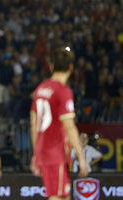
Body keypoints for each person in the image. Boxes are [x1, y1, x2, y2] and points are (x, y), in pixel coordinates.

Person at [30, 47, 88, 200]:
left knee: (63, 195)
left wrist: (36, 154)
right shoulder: (63, 91)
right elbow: (69, 126)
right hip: (54, 151)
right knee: (57, 196)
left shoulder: (40, 89)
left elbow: (34, 124)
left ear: (51, 66)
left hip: (44, 150)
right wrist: (81, 157)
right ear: (71, 67)